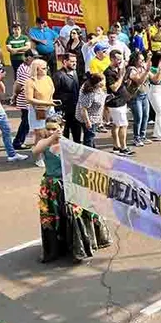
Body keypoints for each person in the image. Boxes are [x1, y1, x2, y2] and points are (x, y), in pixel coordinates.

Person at [33, 113, 111, 263]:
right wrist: (51, 138)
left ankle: (78, 249)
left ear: (61, 128)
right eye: (48, 128)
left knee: (74, 216)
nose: (50, 131)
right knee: (52, 218)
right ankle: (54, 249)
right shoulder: (45, 142)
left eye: (54, 128)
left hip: (68, 185)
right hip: (51, 186)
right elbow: (35, 151)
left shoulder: (68, 144)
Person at [24, 59, 56, 168]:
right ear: (36, 70)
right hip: (37, 110)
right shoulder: (30, 82)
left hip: (50, 108)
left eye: (46, 67)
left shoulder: (48, 78)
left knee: (50, 132)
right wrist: (45, 102)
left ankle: (48, 153)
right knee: (40, 134)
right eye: (43, 68)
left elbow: (52, 91)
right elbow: (29, 99)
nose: (46, 69)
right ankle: (38, 157)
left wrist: (50, 102)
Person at [103, 50, 134, 156]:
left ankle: (116, 146)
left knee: (116, 125)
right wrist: (121, 76)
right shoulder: (108, 72)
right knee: (123, 125)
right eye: (117, 59)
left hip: (121, 101)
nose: (120, 61)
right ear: (111, 59)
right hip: (116, 103)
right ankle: (123, 148)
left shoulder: (117, 69)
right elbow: (114, 88)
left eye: (121, 58)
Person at [53, 54, 82, 143]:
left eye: (75, 61)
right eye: (72, 61)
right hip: (64, 109)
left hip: (75, 108)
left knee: (77, 132)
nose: (75, 64)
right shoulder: (58, 75)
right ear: (65, 62)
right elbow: (55, 93)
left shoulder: (75, 72)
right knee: (64, 133)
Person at [11, 50, 36, 151]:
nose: (35, 59)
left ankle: (19, 141)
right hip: (25, 100)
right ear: (28, 57)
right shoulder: (24, 69)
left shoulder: (30, 67)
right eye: (33, 57)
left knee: (26, 122)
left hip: (27, 100)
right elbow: (20, 84)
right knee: (26, 122)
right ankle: (18, 142)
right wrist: (15, 95)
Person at [126, 52, 152, 147]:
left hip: (145, 95)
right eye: (140, 59)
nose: (142, 61)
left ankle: (142, 136)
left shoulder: (144, 68)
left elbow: (155, 79)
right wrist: (146, 71)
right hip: (135, 97)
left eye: (143, 59)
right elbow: (139, 81)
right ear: (135, 60)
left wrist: (160, 70)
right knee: (138, 118)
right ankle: (136, 138)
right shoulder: (131, 69)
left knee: (146, 116)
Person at [76, 73, 107, 148]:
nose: (104, 83)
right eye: (102, 81)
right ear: (96, 82)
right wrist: (87, 122)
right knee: (89, 137)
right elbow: (83, 108)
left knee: (91, 136)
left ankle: (92, 150)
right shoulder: (89, 93)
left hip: (95, 117)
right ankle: (87, 154)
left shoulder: (99, 88)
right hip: (88, 118)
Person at [147, 51, 161, 142]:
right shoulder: (151, 68)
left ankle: (157, 132)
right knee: (160, 111)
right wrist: (160, 70)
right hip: (155, 90)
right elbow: (156, 80)